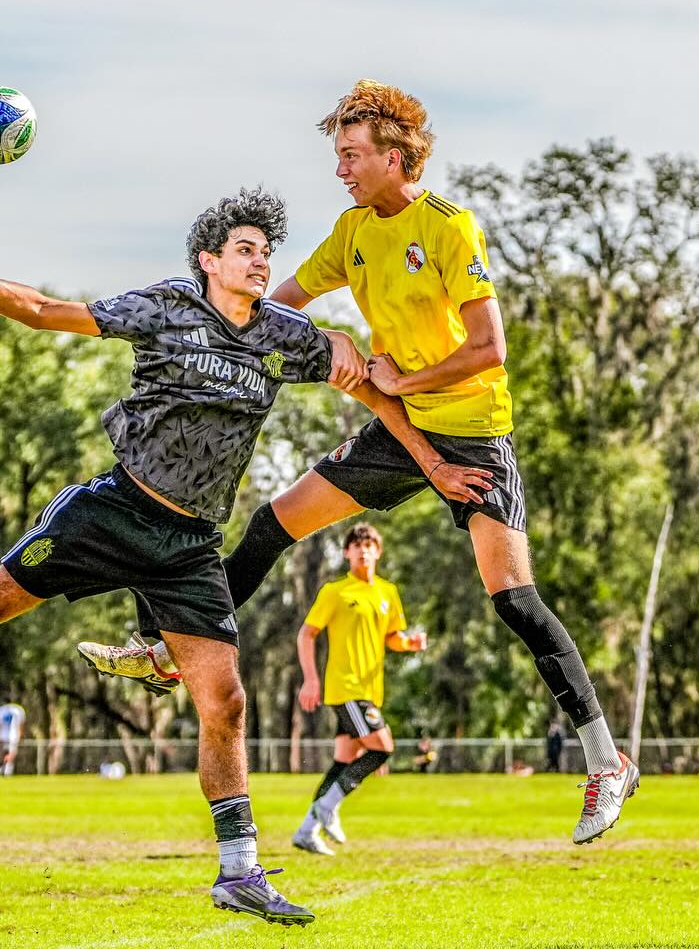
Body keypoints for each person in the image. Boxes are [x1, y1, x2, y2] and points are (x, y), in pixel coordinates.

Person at [0, 189, 487, 927]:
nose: (260, 259)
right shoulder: (168, 307)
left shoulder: (286, 335)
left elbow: (374, 392)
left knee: (227, 700)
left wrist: (427, 458)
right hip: (113, 513)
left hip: (189, 546)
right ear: (209, 261)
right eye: (244, 249)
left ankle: (239, 871)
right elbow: (52, 312)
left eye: (264, 250)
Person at [76, 80, 637, 844]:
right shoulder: (350, 231)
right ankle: (160, 644)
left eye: (351, 154)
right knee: (273, 522)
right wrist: (218, 330)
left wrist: (402, 378)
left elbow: (488, 349)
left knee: (512, 598)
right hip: (399, 430)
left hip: (474, 433)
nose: (340, 168)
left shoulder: (448, 228)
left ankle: (607, 762)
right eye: (338, 154)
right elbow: (280, 303)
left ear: (395, 156)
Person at [289, 523, 421, 856]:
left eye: (369, 544)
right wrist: (311, 679)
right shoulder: (335, 592)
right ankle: (327, 807)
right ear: (346, 552)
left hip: (370, 689)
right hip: (346, 687)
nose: (363, 550)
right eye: (356, 545)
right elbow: (306, 634)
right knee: (382, 748)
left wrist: (411, 643)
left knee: (344, 760)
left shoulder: (388, 593)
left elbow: (393, 637)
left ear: (378, 551)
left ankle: (306, 831)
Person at [0, 698, 26, 777]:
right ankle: (6, 771)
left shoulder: (0, 710)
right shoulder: (19, 709)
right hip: (14, 736)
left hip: (2, 736)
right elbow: (22, 724)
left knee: (4, 754)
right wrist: (21, 735)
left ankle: (2, 770)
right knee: (11, 754)